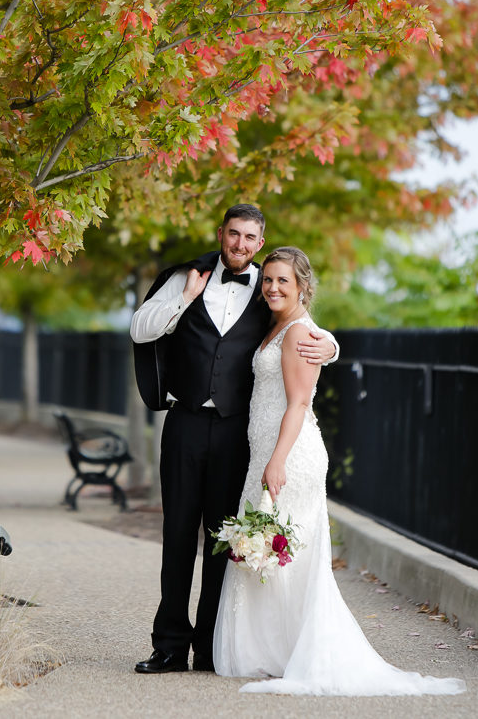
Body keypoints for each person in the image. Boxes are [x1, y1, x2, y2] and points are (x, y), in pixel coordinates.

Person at [213, 246, 466, 697]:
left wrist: (276, 461)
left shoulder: (298, 334)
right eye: (267, 280)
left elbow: (298, 403)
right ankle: (276, 651)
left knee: (283, 554)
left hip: (288, 456)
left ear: (303, 286)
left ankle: (288, 653)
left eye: (282, 281)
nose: (271, 287)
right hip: (266, 454)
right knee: (269, 553)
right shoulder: (279, 328)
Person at [130, 205, 339, 674]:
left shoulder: (269, 288)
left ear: (259, 243)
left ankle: (210, 646)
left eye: (250, 238)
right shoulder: (187, 276)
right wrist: (185, 297)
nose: (240, 244)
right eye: (233, 234)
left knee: (223, 540)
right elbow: (139, 329)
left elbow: (298, 324)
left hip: (235, 433)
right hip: (184, 422)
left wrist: (330, 345)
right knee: (177, 536)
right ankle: (168, 647)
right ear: (221, 233)